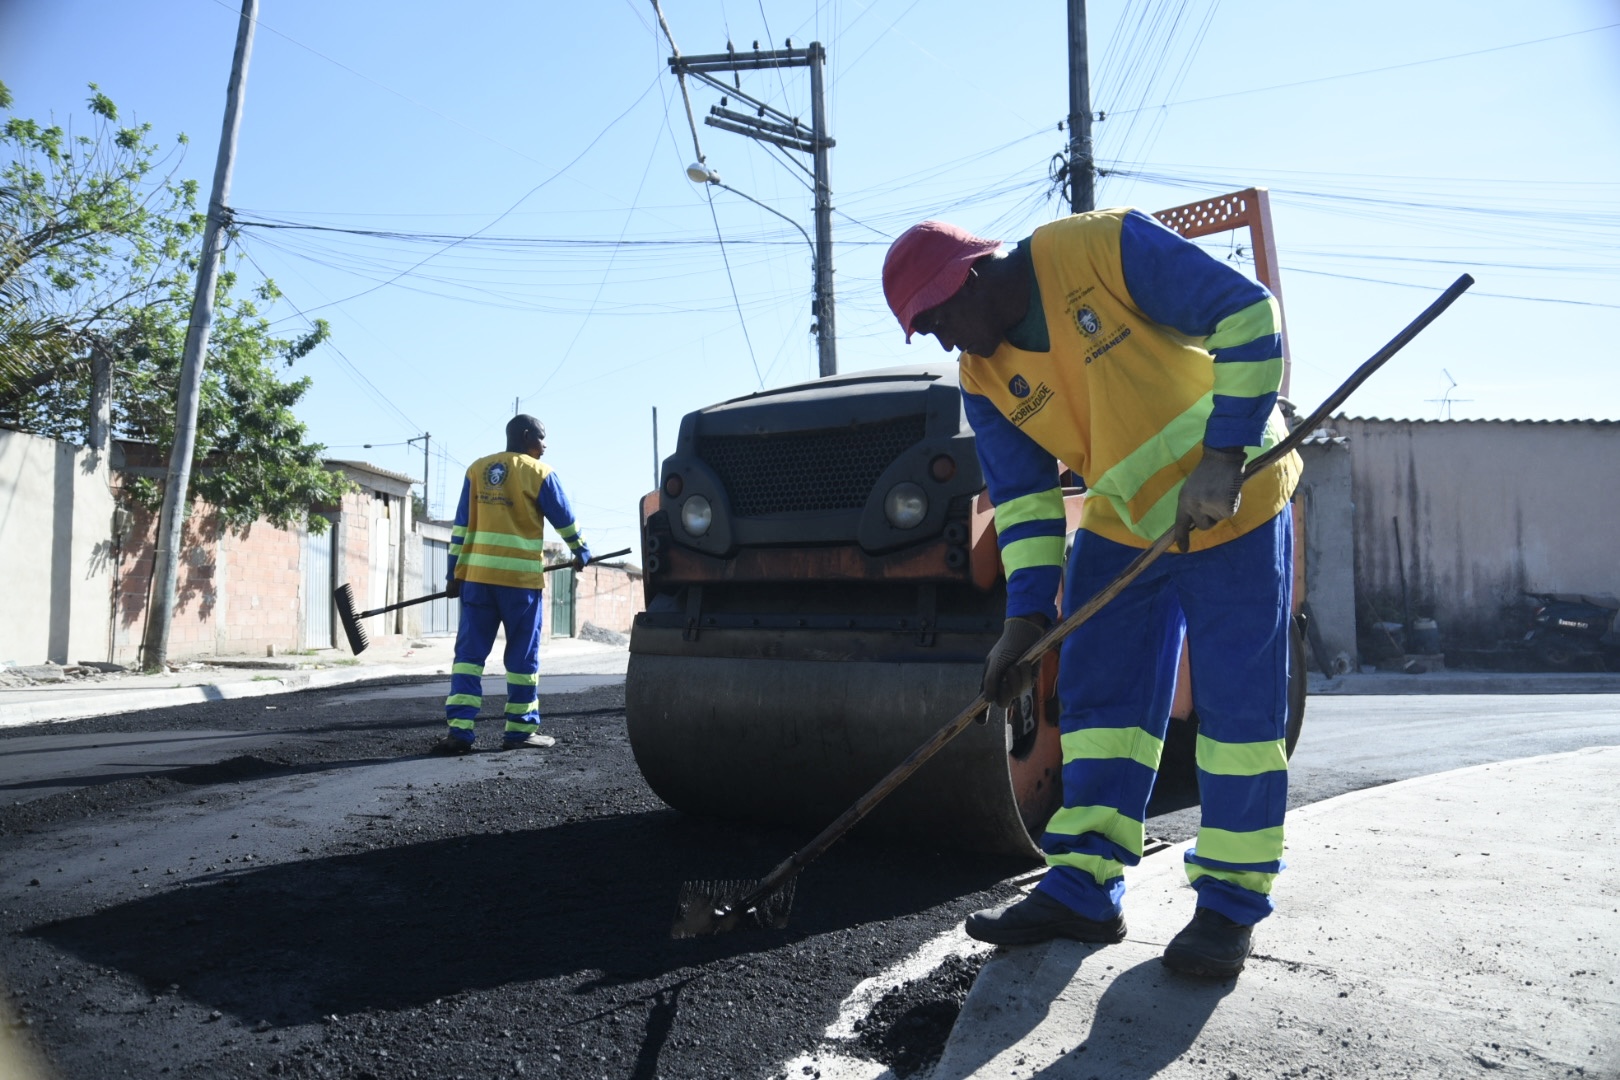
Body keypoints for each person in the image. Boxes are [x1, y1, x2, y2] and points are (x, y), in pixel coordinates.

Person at [882, 209, 1301, 978]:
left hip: (1234, 500)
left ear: (970, 276)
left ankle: (1229, 910)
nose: (945, 342)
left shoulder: (1098, 247)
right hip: (1123, 521)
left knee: (1239, 717)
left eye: (940, 320)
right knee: (1100, 707)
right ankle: (1083, 888)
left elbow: (1247, 313)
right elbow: (1025, 502)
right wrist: (1025, 620)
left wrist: (1226, 450)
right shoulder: (983, 375)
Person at [432, 414, 591, 754]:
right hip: (519, 584)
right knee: (522, 658)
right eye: (541, 437)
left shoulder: (477, 470)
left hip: (477, 581)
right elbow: (564, 518)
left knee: (468, 657)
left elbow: (460, 528)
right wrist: (581, 551)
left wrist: (453, 575)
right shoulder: (539, 474)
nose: (545, 445)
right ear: (524, 435)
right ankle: (519, 731)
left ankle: (459, 731)